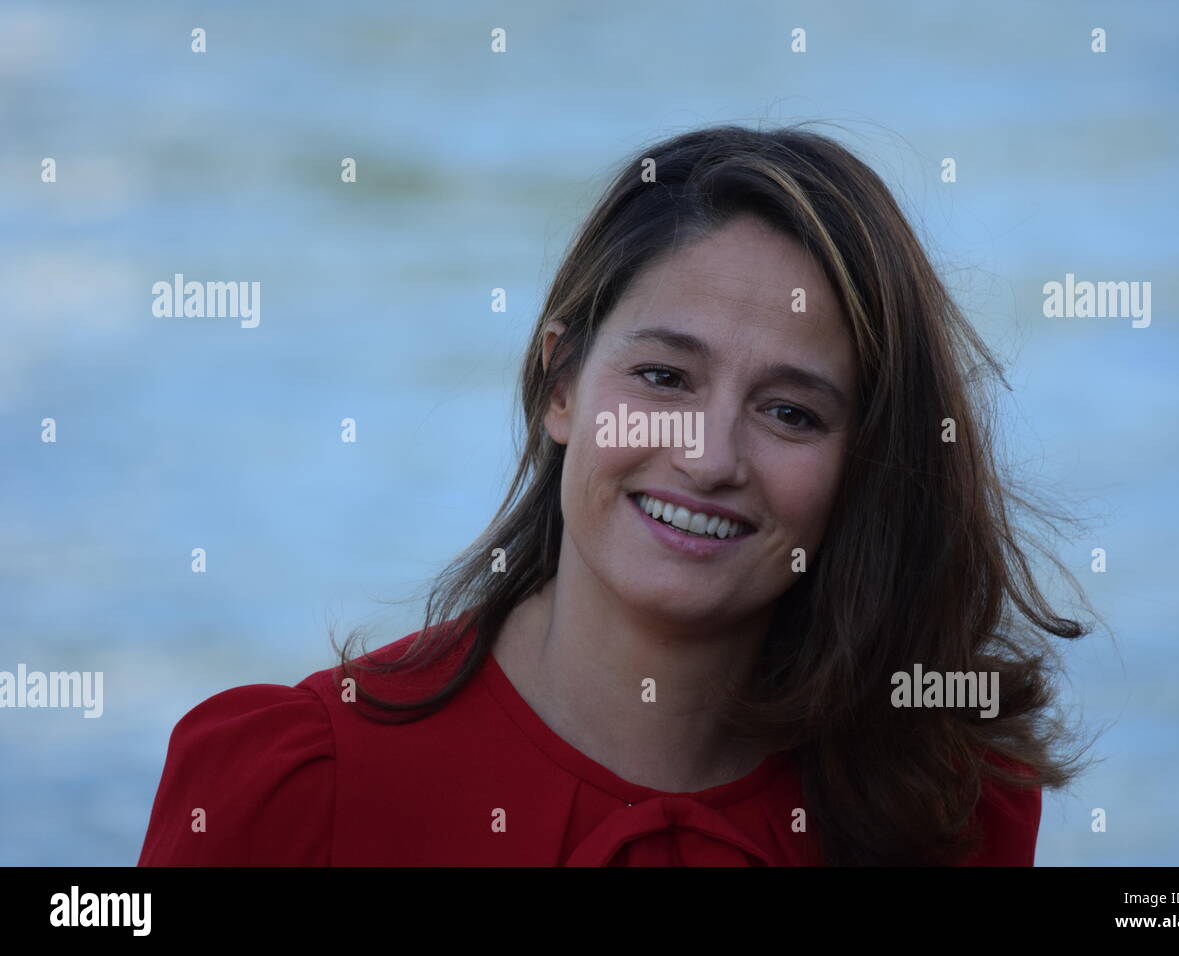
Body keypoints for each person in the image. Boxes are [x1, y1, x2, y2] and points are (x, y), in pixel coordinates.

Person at [138, 123, 1092, 866]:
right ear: (562, 387)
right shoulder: (299, 790)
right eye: (666, 379)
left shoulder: (948, 800)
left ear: (865, 464)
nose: (709, 457)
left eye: (792, 413)